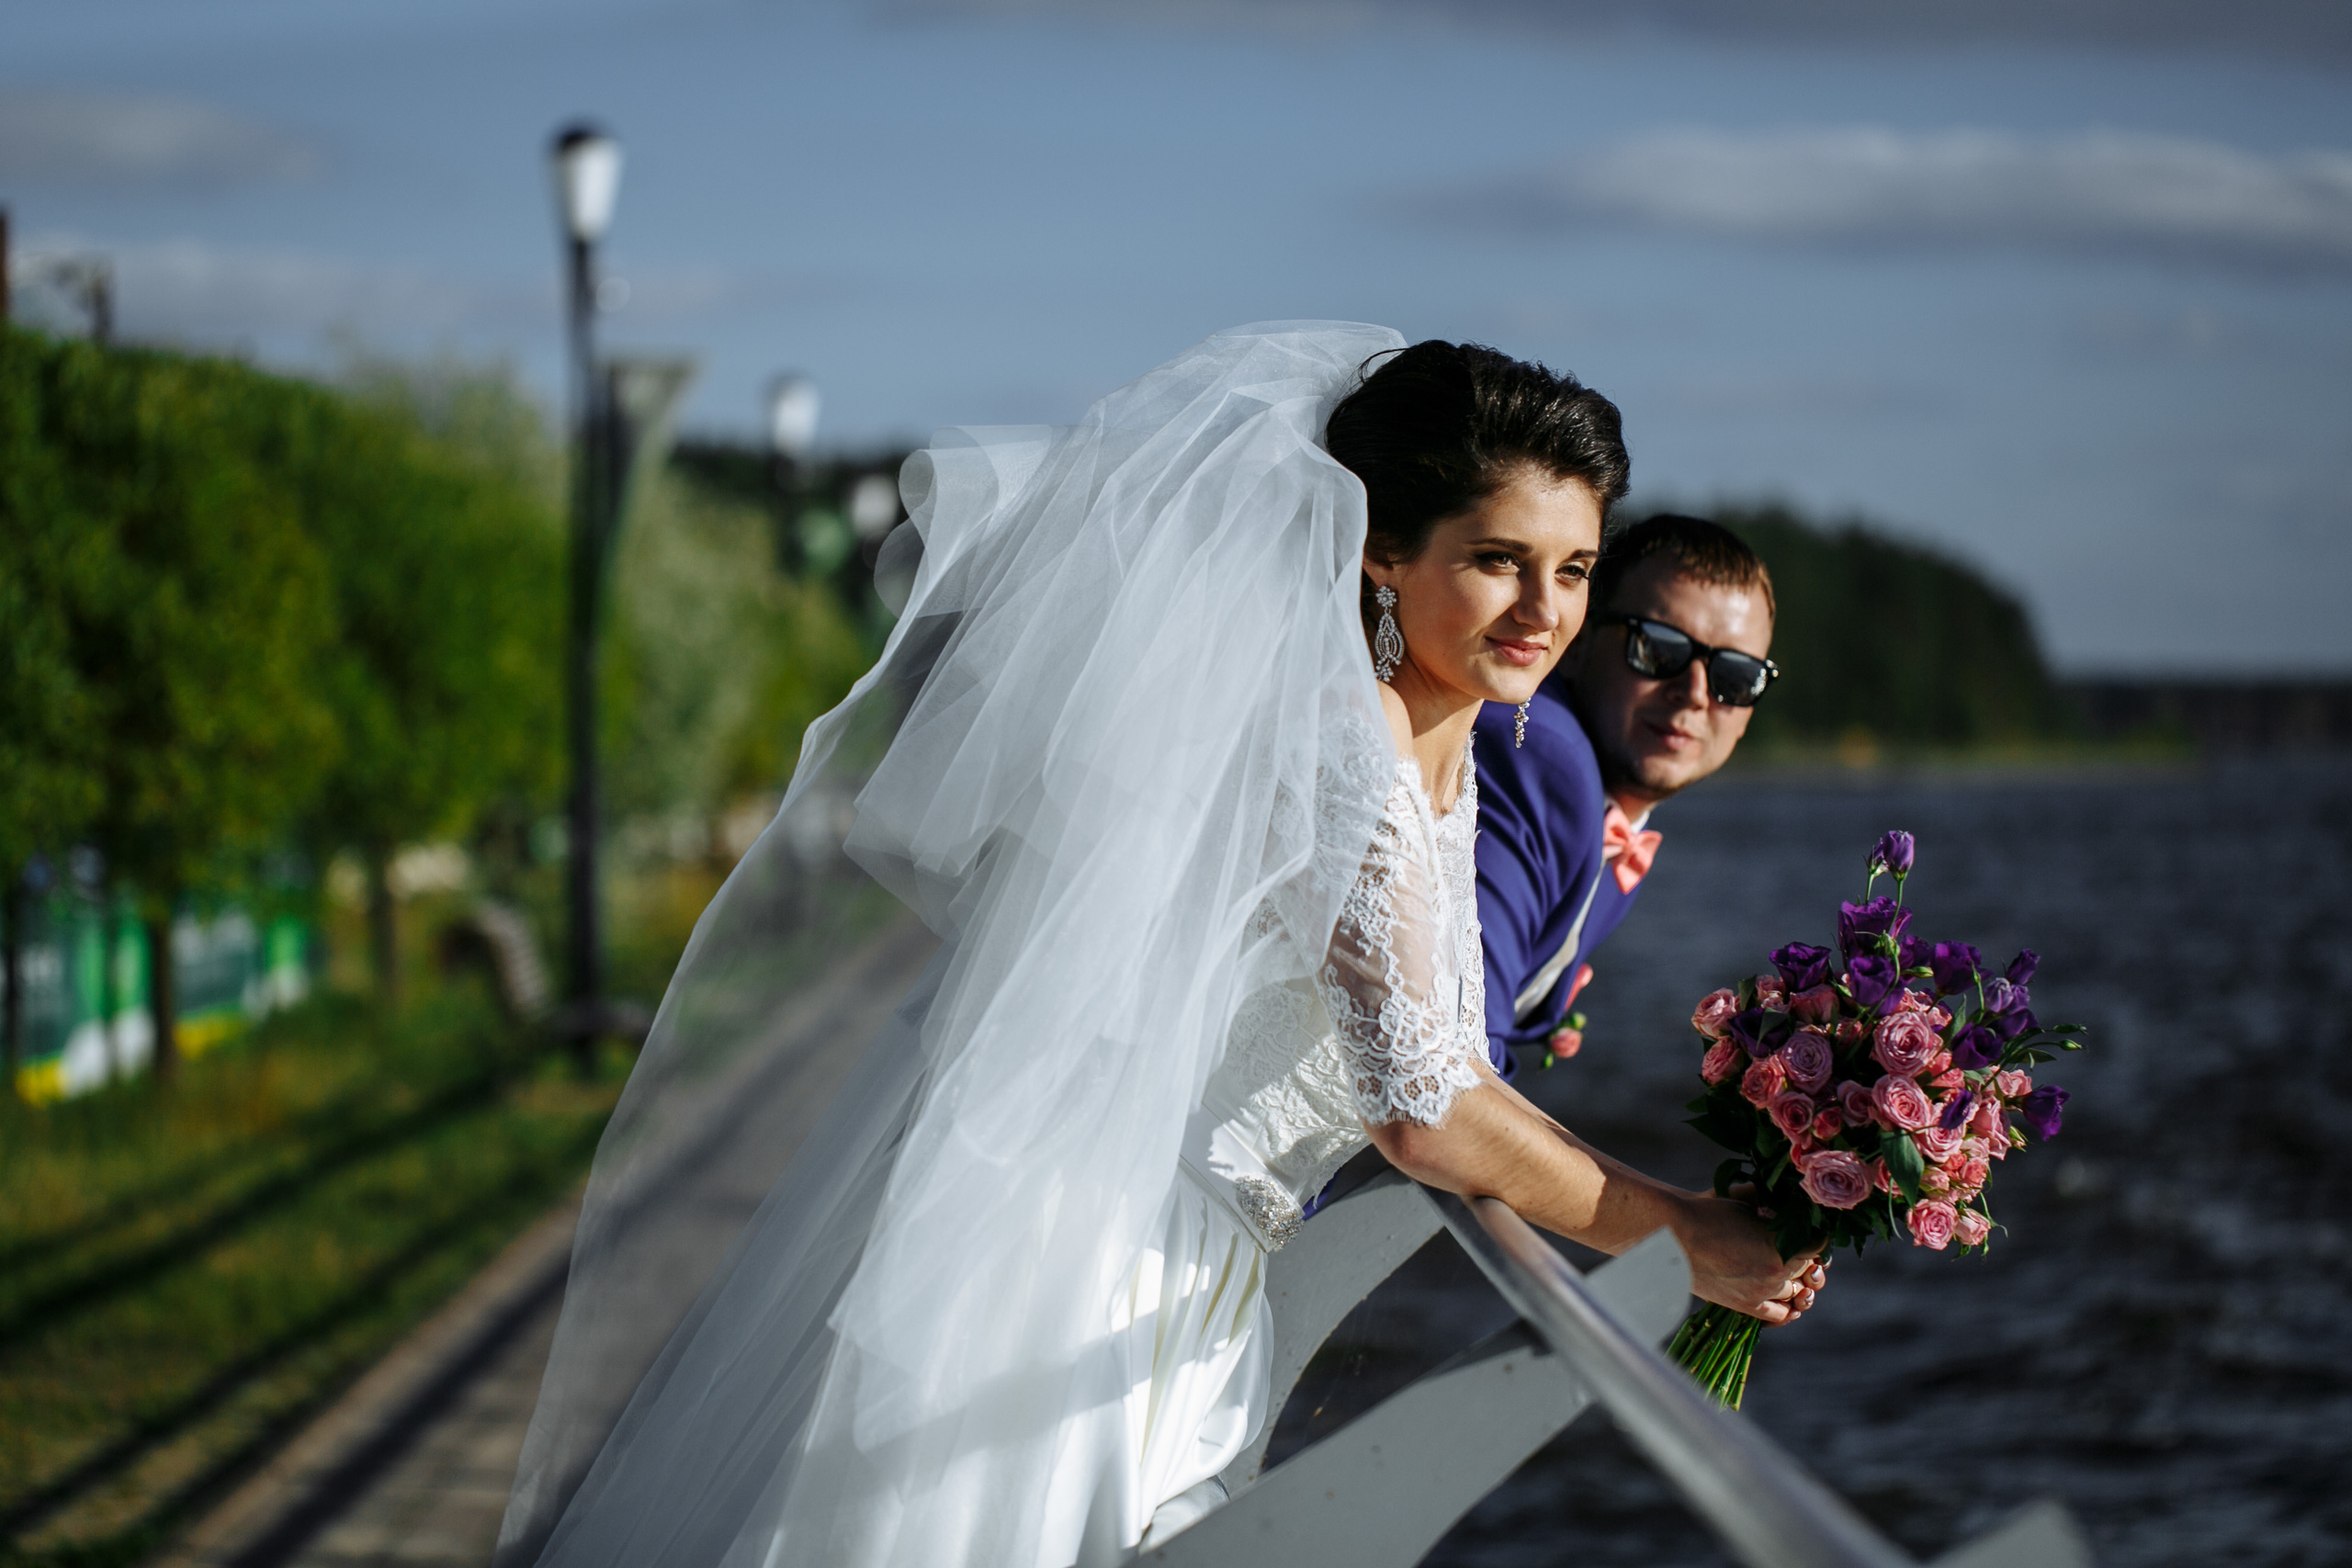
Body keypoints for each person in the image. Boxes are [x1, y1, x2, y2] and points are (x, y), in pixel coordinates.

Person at [499, 326, 1820, 1568]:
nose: (1542, 608)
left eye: (1575, 570)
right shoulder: (1348, 744)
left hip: (1195, 1272)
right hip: (1096, 1269)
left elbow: (1442, 1059)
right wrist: (1682, 1238)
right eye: (1498, 559)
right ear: (1382, 550)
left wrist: (1684, 1214)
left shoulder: (1451, 740)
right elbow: (1424, 1110)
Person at [1474, 514, 1781, 1074]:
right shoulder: (1541, 758)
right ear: (1579, 640)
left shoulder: (1616, 820)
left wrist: (1543, 1003)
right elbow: (1455, 1067)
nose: (1695, 693)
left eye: (1735, 677)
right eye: (1659, 649)